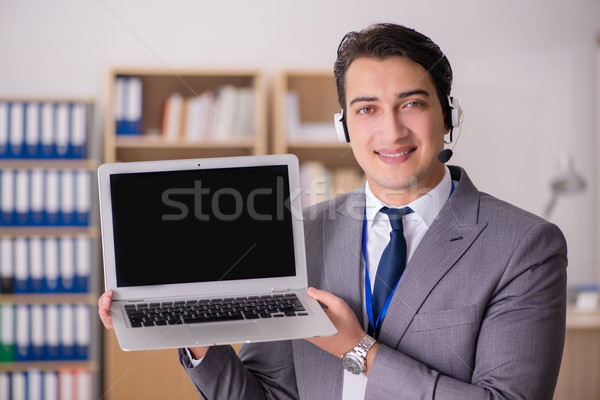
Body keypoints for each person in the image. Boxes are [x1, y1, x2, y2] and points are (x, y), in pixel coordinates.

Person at [98, 23, 568, 399]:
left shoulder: (525, 246)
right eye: (367, 110)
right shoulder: (303, 233)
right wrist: (197, 331)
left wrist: (358, 350)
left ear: (448, 117)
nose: (391, 129)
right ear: (345, 127)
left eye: (413, 103)